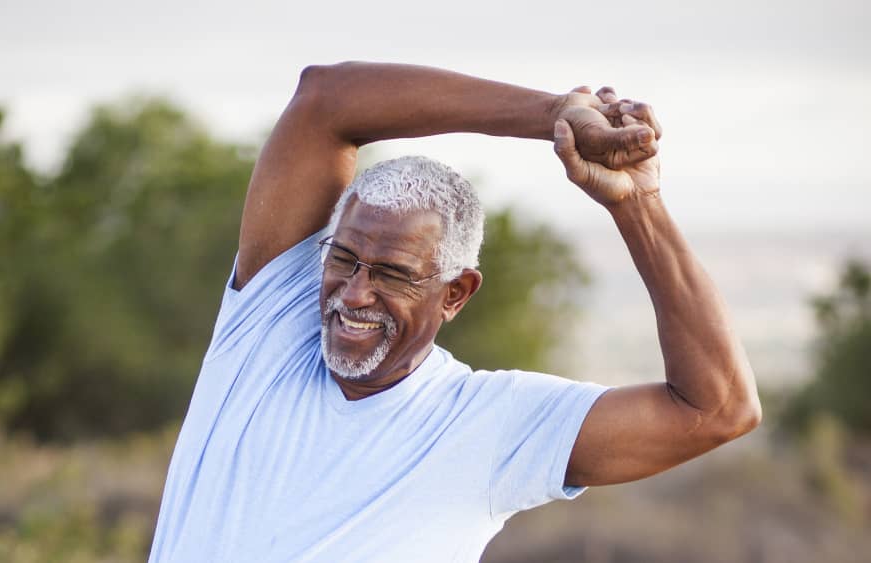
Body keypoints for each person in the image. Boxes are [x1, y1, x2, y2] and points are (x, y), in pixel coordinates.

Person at [147, 63, 761, 562]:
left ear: (456, 293)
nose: (354, 294)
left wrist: (638, 204)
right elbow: (325, 98)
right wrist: (553, 114)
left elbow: (718, 408)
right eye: (343, 260)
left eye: (392, 274)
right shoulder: (269, 325)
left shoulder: (490, 424)